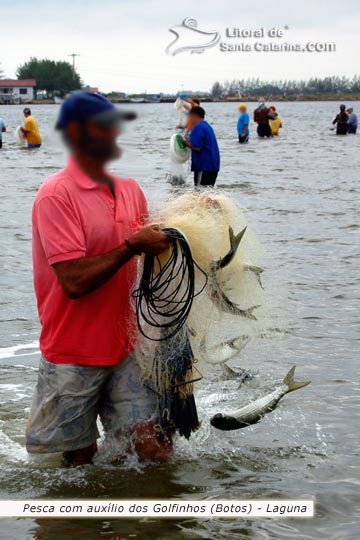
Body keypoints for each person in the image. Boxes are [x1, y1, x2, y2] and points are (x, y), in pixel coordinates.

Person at [26, 91, 172, 466]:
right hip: (72, 354)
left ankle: (153, 522)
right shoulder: (55, 195)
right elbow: (73, 281)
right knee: (78, 463)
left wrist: (192, 220)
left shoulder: (130, 190)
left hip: (127, 347)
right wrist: (129, 247)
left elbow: (154, 240)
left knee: (154, 451)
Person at [182, 106, 220, 187]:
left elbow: (196, 147)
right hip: (213, 166)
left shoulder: (198, 127)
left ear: (194, 116)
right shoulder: (207, 126)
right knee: (207, 194)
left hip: (203, 167)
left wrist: (184, 142)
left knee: (199, 194)